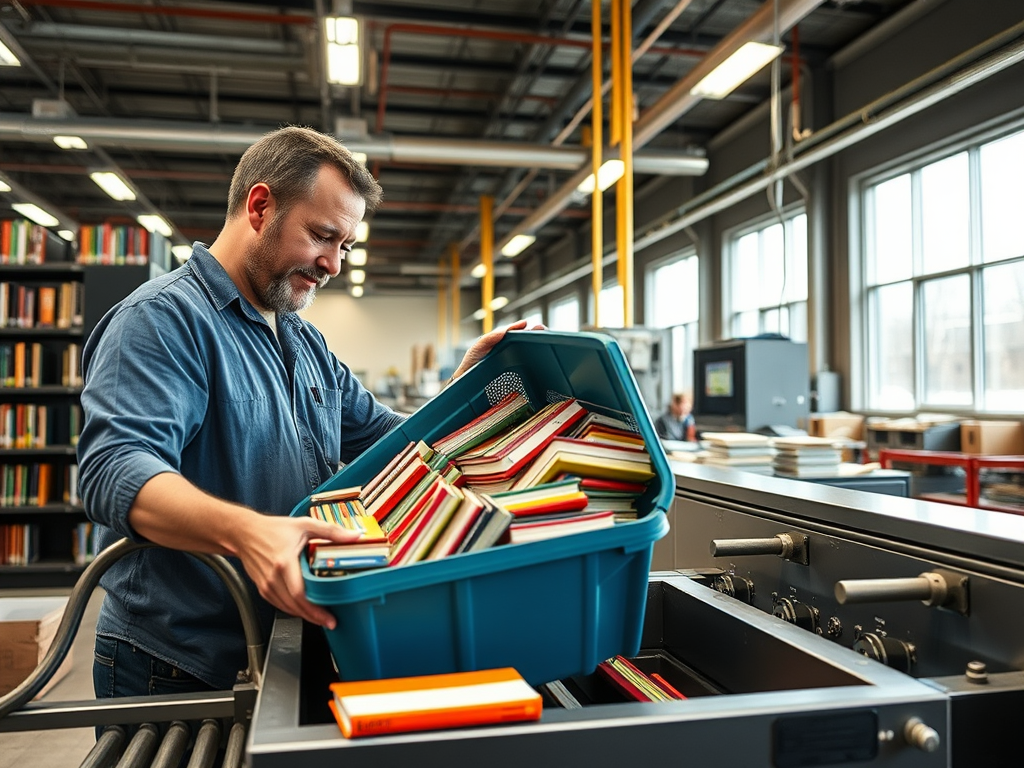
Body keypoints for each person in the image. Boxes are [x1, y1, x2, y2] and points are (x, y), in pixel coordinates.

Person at [77, 125, 530, 701]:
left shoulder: (302, 340)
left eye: (345, 246)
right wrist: (252, 535)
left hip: (276, 644)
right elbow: (113, 469)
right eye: (323, 236)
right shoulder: (161, 322)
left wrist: (467, 389)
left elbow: (387, 439)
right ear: (261, 207)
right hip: (175, 662)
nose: (334, 264)